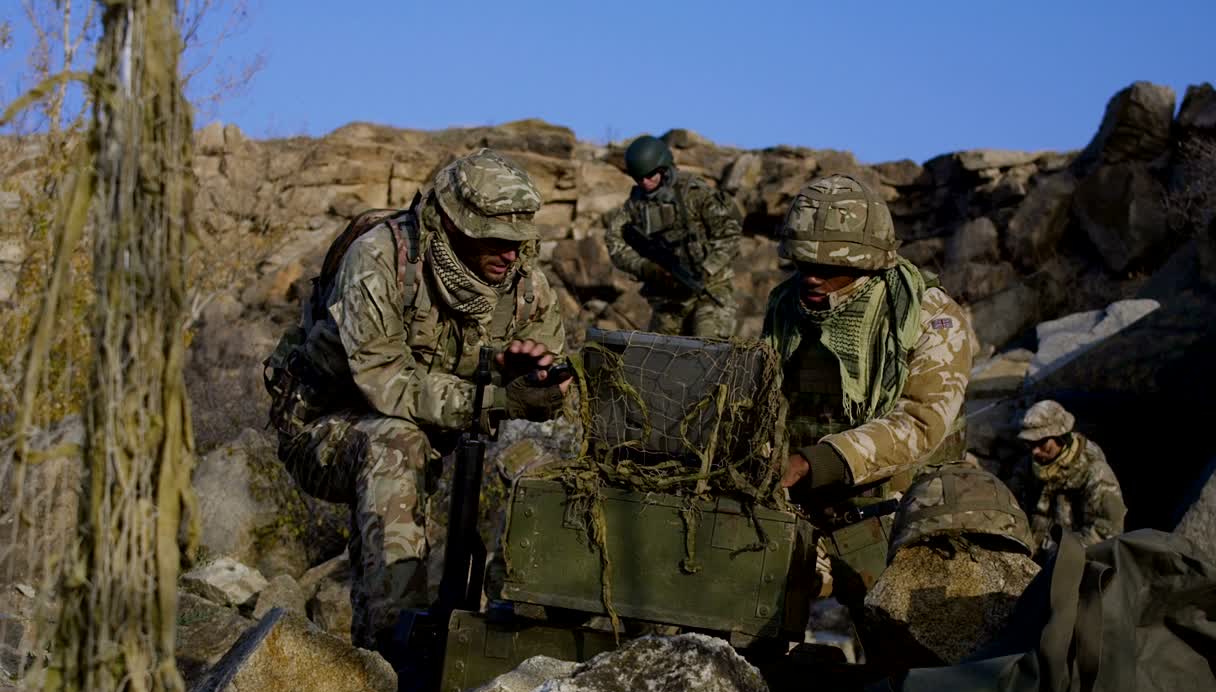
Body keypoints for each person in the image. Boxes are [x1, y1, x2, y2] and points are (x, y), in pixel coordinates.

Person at [271, 149, 569, 656]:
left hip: (434, 430)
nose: (509, 254)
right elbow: (386, 383)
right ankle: (391, 655)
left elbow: (553, 381)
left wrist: (540, 388)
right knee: (395, 443)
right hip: (322, 425)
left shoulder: (524, 287)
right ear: (451, 225)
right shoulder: (380, 259)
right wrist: (495, 397)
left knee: (551, 466)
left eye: (517, 242)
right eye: (493, 239)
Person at [763, 173, 974, 605]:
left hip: (902, 509)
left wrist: (814, 461)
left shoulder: (929, 317)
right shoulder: (786, 306)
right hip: (807, 501)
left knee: (898, 640)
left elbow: (920, 423)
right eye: (804, 265)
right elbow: (765, 393)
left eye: (828, 268)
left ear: (869, 263)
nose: (812, 280)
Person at [603, 135, 742, 338]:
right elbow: (614, 241)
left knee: (708, 351)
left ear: (663, 168)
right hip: (668, 300)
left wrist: (707, 269)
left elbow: (730, 233)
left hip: (710, 291)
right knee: (659, 360)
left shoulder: (694, 192)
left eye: (650, 175)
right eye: (638, 178)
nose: (645, 182)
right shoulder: (635, 205)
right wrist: (646, 268)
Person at [1008, 399, 1126, 558]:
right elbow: (1011, 501)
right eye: (1030, 443)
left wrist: (1059, 553)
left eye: (1042, 442)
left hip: (1071, 561)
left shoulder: (1096, 474)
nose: (1035, 451)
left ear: (1061, 438)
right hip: (1032, 552)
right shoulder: (1029, 466)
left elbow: (1107, 533)